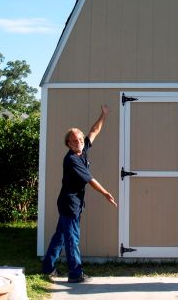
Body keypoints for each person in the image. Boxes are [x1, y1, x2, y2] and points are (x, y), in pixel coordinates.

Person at [42, 105, 117, 283]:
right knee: (72, 239)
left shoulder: (82, 150)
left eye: (81, 140)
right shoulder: (72, 160)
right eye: (75, 142)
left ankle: (47, 268)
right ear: (68, 144)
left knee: (60, 236)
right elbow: (90, 180)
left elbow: (94, 131)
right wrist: (106, 193)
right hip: (70, 205)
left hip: (70, 203)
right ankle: (75, 274)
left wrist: (103, 115)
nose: (80, 143)